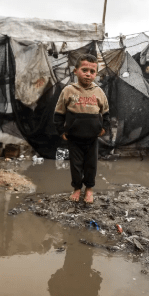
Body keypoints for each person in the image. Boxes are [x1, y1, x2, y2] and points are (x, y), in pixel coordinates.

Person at [54, 54, 110, 204]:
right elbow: (59, 113)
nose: (88, 74)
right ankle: (77, 188)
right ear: (75, 71)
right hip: (74, 137)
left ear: (96, 74)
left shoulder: (99, 92)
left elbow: (106, 113)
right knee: (76, 165)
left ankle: (89, 189)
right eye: (84, 70)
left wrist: (104, 127)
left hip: (92, 138)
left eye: (92, 71)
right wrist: (61, 130)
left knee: (91, 165)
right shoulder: (68, 91)